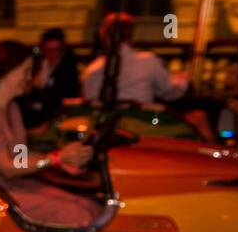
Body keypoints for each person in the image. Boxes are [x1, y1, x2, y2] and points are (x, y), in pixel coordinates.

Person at [0, 41, 100, 229]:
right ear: (5, 72)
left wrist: (63, 162)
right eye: (26, 71)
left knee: (90, 206)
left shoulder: (11, 109)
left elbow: (20, 158)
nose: (29, 78)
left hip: (13, 186)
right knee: (78, 214)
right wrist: (55, 158)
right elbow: (6, 167)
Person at [81, 12, 212, 140]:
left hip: (104, 128)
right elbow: (169, 92)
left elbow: (89, 102)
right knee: (199, 117)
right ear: (131, 34)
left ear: (104, 35)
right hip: (144, 126)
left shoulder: (91, 69)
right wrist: (182, 79)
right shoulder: (147, 61)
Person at [18, 27, 80, 129]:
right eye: (48, 50)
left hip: (53, 117)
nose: (52, 54)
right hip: (31, 115)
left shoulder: (67, 69)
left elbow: (62, 97)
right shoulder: (37, 64)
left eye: (56, 50)